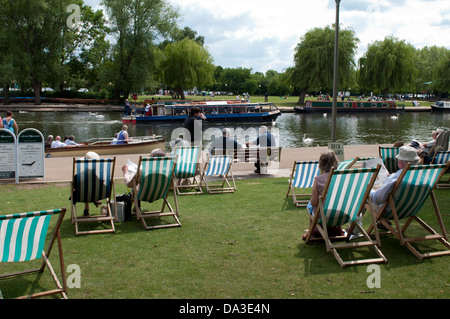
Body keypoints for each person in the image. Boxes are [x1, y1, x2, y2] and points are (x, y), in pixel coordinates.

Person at [303, 151, 344, 240]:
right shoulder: (342, 178)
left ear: (321, 165)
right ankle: (340, 230)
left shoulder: (318, 179)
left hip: (324, 216)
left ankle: (311, 232)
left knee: (310, 206)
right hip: (342, 214)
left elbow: (314, 202)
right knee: (337, 203)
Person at [370, 145, 420, 212]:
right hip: (410, 209)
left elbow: (377, 199)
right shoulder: (421, 176)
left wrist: (368, 189)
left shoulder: (395, 178)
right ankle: (382, 222)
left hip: (391, 211)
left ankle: (357, 221)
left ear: (401, 162)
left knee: (363, 194)